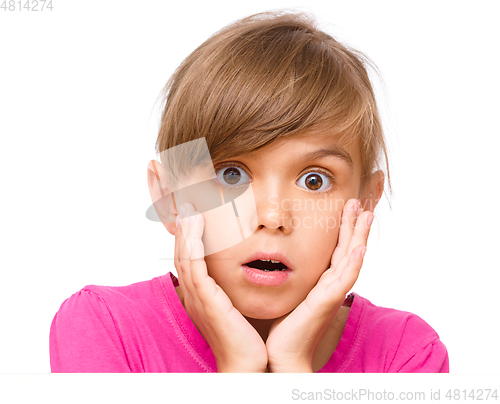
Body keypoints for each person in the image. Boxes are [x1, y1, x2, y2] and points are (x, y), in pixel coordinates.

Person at [49, 10, 449, 373]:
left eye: (314, 180)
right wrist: (239, 367)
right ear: (169, 198)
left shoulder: (406, 355)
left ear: (365, 203)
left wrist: (292, 364)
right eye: (231, 175)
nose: (272, 218)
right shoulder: (103, 327)